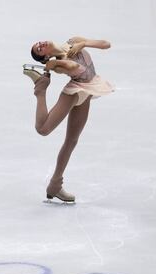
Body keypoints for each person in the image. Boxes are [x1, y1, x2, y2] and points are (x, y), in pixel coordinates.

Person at [23, 37, 114, 202]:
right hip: (74, 93)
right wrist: (60, 62)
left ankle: (55, 185)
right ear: (45, 58)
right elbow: (73, 66)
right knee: (43, 129)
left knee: (72, 141)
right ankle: (40, 88)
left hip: (88, 91)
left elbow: (106, 44)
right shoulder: (55, 65)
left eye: (39, 43)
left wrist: (84, 43)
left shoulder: (74, 40)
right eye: (39, 49)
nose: (40, 45)